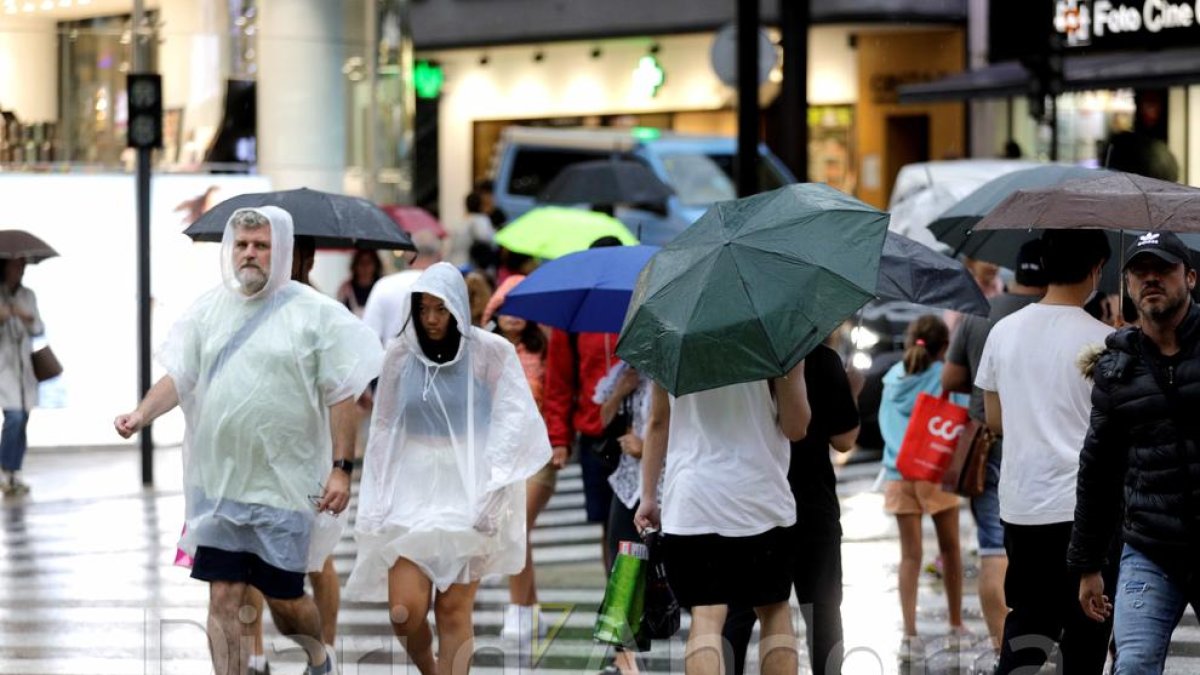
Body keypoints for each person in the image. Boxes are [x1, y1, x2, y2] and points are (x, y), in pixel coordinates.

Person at [113, 206, 383, 675]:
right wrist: (141, 414)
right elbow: (181, 376)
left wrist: (342, 469)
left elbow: (343, 394)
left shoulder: (315, 314)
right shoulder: (209, 309)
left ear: (280, 251)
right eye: (242, 245)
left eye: (261, 245)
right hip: (221, 485)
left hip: (286, 486)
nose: (250, 254)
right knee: (224, 594)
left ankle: (319, 656)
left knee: (284, 598)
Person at [344, 262, 551, 675]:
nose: (432, 319)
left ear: (458, 307)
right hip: (411, 491)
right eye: (423, 309)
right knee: (404, 612)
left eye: (441, 309)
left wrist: (495, 489)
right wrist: (375, 498)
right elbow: (384, 427)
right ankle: (432, 669)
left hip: (468, 489)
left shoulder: (490, 352)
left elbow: (515, 419)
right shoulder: (400, 355)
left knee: (454, 610)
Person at [976, 229, 1115, 675]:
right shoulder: (1105, 342)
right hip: (1084, 511)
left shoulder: (1003, 332)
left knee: (1028, 625)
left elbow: (994, 421)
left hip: (1022, 506)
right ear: (1096, 270)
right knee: (1087, 631)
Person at [1069, 231, 1200, 675]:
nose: (1151, 279)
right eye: (1139, 272)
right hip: (1150, 548)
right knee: (1134, 666)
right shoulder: (1115, 371)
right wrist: (1087, 566)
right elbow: (1097, 471)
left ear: (1191, 277)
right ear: (1126, 286)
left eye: (1163, 269)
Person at [634, 363, 811, 675]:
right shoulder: (773, 335)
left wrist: (648, 495)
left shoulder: (673, 334)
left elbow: (659, 421)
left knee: (706, 615)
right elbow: (797, 428)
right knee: (774, 611)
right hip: (759, 498)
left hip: (693, 499)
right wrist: (793, 371)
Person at [723, 333, 862, 675]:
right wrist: (851, 391)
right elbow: (844, 440)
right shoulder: (822, 359)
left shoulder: (736, 360)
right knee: (823, 609)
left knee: (740, 612)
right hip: (811, 500)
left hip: (752, 504)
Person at [943, 238, 1047, 664]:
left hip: (987, 444)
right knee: (1044, 547)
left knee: (993, 549)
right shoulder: (1053, 317)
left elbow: (950, 379)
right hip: (1040, 443)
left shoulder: (978, 314)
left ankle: (1001, 645)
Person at [878, 315, 969, 662]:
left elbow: (887, 427)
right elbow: (958, 421)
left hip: (898, 472)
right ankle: (956, 624)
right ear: (944, 347)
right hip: (933, 469)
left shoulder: (891, 379)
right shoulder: (943, 377)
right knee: (950, 550)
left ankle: (910, 634)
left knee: (910, 556)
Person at [480, 276, 557, 648]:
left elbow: (558, 398)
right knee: (517, 531)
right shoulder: (485, 349)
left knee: (517, 528)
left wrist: (559, 442)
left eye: (520, 308)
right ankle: (533, 609)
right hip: (499, 455)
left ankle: (518, 611)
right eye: (505, 307)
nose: (513, 316)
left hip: (538, 453)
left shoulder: (545, 350)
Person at [543, 238, 624, 572]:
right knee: (609, 524)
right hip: (595, 435)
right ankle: (617, 604)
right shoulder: (574, 317)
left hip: (641, 432)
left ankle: (653, 599)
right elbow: (559, 381)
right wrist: (559, 439)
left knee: (643, 523)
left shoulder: (638, 305)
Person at [594, 360, 654, 675]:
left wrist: (645, 447)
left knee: (670, 574)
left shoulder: (668, 374)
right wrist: (621, 390)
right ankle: (624, 659)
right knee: (623, 567)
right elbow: (602, 419)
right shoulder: (623, 372)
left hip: (666, 483)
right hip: (628, 484)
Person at [0, 257, 42, 496]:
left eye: (22, 266)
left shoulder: (28, 295)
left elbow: (38, 328)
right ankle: (5, 469)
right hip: (4, 368)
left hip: (24, 367)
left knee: (23, 418)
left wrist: (25, 317)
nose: (20, 270)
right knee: (14, 417)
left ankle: (14, 472)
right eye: (16, 265)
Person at [361, 231, 443, 345]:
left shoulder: (384, 286)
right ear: (439, 256)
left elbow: (367, 339)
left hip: (391, 360)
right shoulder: (445, 288)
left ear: (409, 255)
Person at [337, 250, 384, 318]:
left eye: (368, 262)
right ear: (355, 266)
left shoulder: (382, 287)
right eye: (361, 263)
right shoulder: (346, 289)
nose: (365, 267)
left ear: (376, 265)